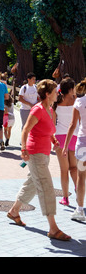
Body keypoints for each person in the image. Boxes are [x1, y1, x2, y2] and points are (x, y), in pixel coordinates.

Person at [7, 79, 71, 242]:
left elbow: (46, 129)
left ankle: (14, 211)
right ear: (48, 94)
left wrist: (53, 139)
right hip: (34, 154)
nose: (58, 94)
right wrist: (23, 149)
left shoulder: (49, 109)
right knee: (46, 187)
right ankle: (53, 228)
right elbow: (25, 130)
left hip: (44, 154)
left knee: (33, 184)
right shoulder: (37, 109)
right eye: (56, 92)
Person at [62, 78, 86, 222]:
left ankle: (80, 210)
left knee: (81, 177)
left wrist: (65, 146)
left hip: (83, 142)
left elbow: (72, 125)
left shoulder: (79, 102)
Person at [53, 77, 78, 206]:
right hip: (74, 136)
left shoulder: (57, 102)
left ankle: (65, 198)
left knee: (64, 170)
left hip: (60, 137)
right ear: (71, 89)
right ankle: (78, 188)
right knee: (74, 168)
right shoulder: (77, 101)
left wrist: (52, 140)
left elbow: (52, 124)